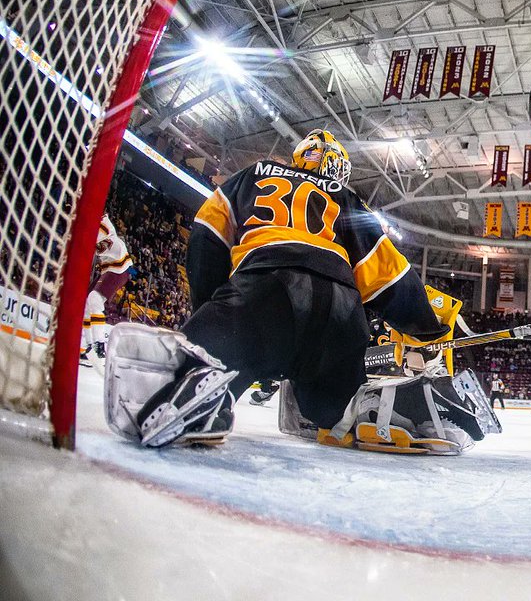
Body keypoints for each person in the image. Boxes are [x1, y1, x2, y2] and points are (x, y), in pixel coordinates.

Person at [109, 129, 483, 453]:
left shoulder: (251, 175)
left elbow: (207, 237)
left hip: (263, 289)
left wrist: (209, 314)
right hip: (342, 314)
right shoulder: (347, 198)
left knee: (217, 361)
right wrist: (428, 329)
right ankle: (373, 407)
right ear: (335, 166)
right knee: (327, 410)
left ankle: (205, 386)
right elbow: (391, 278)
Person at [80, 213, 133, 365]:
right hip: (109, 267)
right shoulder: (93, 225)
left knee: (94, 300)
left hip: (119, 267)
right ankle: (88, 347)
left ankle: (99, 345)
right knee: (86, 304)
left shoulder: (99, 224)